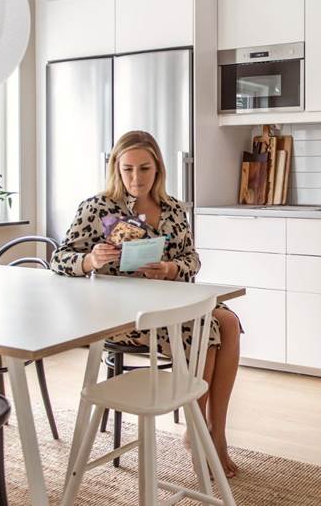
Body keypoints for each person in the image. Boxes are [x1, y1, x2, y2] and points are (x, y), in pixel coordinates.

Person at [50, 130, 241, 476]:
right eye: (127, 170)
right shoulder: (97, 207)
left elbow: (192, 260)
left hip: (170, 301)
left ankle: (216, 432)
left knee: (229, 322)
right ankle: (200, 434)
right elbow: (59, 259)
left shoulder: (173, 210)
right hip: (125, 316)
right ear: (116, 169)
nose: (136, 178)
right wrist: (91, 260)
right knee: (210, 328)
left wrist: (171, 268)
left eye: (144, 169)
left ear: (158, 169)